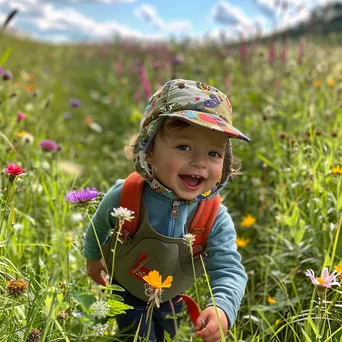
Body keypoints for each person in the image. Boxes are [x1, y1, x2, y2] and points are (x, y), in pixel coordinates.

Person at [84, 79, 249, 342]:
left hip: (173, 297)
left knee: (170, 335)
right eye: (184, 147)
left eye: (214, 154)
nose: (199, 162)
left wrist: (222, 308)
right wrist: (93, 259)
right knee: (137, 336)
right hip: (128, 291)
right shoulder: (127, 194)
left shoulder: (213, 215)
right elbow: (98, 226)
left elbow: (229, 268)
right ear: (148, 151)